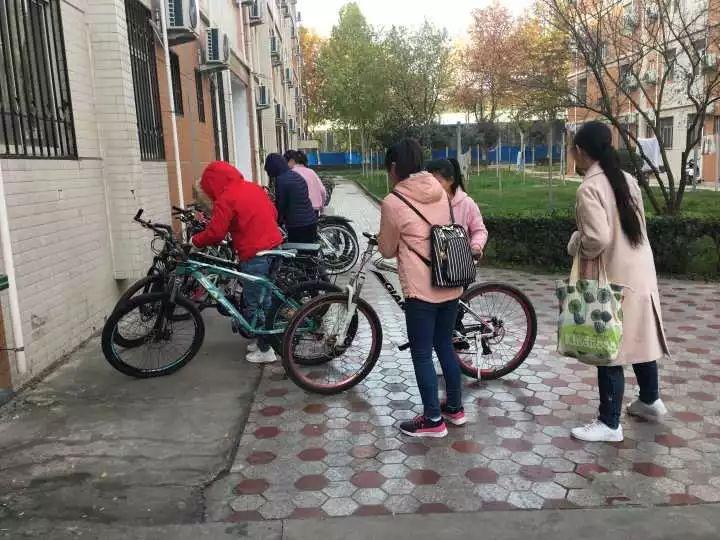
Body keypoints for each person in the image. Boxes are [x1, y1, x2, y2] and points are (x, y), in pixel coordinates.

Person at [567, 121, 670, 443]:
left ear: (580, 151)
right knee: (640, 337)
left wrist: (576, 243)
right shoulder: (626, 179)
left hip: (613, 274)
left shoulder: (589, 187)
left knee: (609, 346)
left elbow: (597, 238)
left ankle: (609, 422)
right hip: (640, 269)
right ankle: (650, 400)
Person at [378, 139, 465, 438]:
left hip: (421, 290)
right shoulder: (439, 189)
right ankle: (454, 408)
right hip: (450, 280)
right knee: (445, 345)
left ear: (393, 167)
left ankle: (433, 420)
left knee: (422, 354)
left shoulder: (393, 202)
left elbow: (387, 250)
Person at [191, 161, 283, 364]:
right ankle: (262, 340)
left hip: (255, 252)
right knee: (265, 298)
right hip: (274, 246)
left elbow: (216, 233)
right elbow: (274, 213)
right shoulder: (253, 187)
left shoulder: (226, 198)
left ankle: (267, 349)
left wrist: (195, 242)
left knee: (254, 303)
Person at [426, 158, 488, 257]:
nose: (433, 186)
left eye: (438, 182)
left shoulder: (466, 203)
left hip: (459, 261)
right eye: (429, 182)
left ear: (451, 180)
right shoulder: (425, 204)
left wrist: (476, 246)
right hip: (432, 261)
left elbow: (479, 230)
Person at [264, 153, 318, 242]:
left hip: (297, 225)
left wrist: (276, 222)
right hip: (311, 220)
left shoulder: (281, 180)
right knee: (309, 249)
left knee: (297, 249)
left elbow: (281, 205)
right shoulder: (296, 175)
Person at [284, 150, 327, 214]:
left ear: (292, 161)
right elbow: (322, 190)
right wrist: (322, 207)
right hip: (315, 208)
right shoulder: (312, 172)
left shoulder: (291, 173)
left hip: (298, 210)